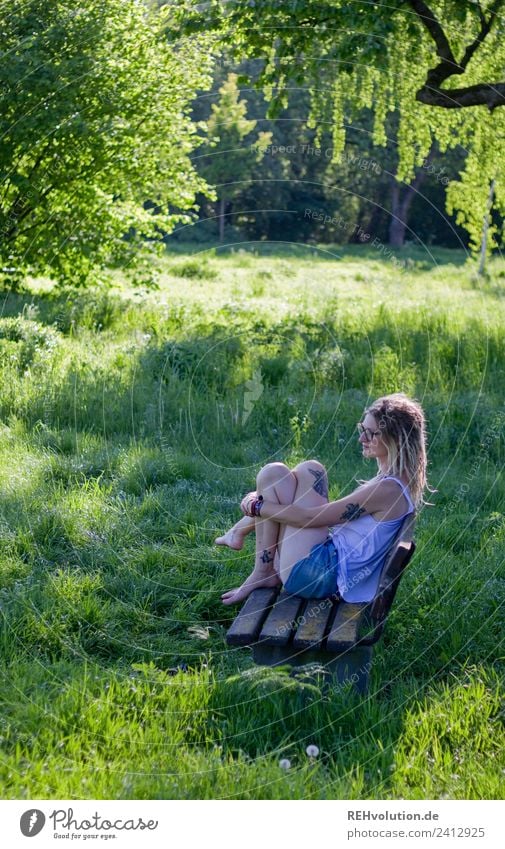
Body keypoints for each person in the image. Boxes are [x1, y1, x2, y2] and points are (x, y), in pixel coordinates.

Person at [216, 393, 429, 606]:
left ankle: (260, 566)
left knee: (272, 475)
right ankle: (243, 537)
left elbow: (308, 518)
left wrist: (257, 505)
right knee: (298, 471)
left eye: (371, 433)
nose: (361, 439)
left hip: (318, 575)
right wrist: (263, 506)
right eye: (362, 429)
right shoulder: (392, 482)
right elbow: (323, 516)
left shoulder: (388, 489)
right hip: (324, 564)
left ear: (396, 439)